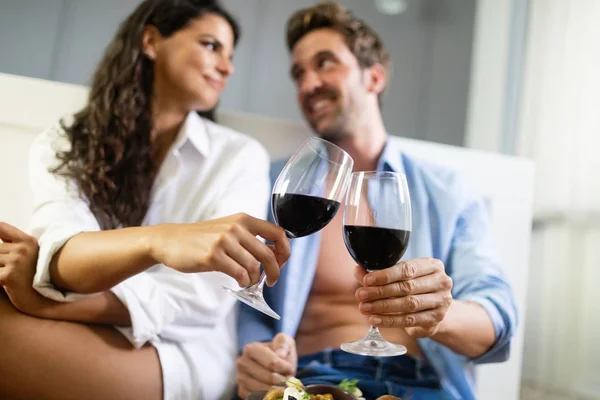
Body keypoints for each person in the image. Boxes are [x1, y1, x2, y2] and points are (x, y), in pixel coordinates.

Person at [0, 1, 290, 399]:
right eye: (211, 45)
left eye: (230, 55)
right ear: (152, 41)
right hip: (89, 324)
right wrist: (159, 241)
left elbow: (200, 301)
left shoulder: (239, 157)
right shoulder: (65, 142)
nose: (227, 67)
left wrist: (55, 304)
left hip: (180, 350)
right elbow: (62, 259)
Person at [235, 2, 517, 400]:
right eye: (299, 73)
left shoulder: (447, 191)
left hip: (418, 384)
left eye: (325, 63)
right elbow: (247, 306)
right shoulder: (274, 185)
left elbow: (500, 319)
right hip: (313, 382)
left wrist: (440, 314)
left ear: (375, 77)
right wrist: (257, 356)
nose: (308, 83)